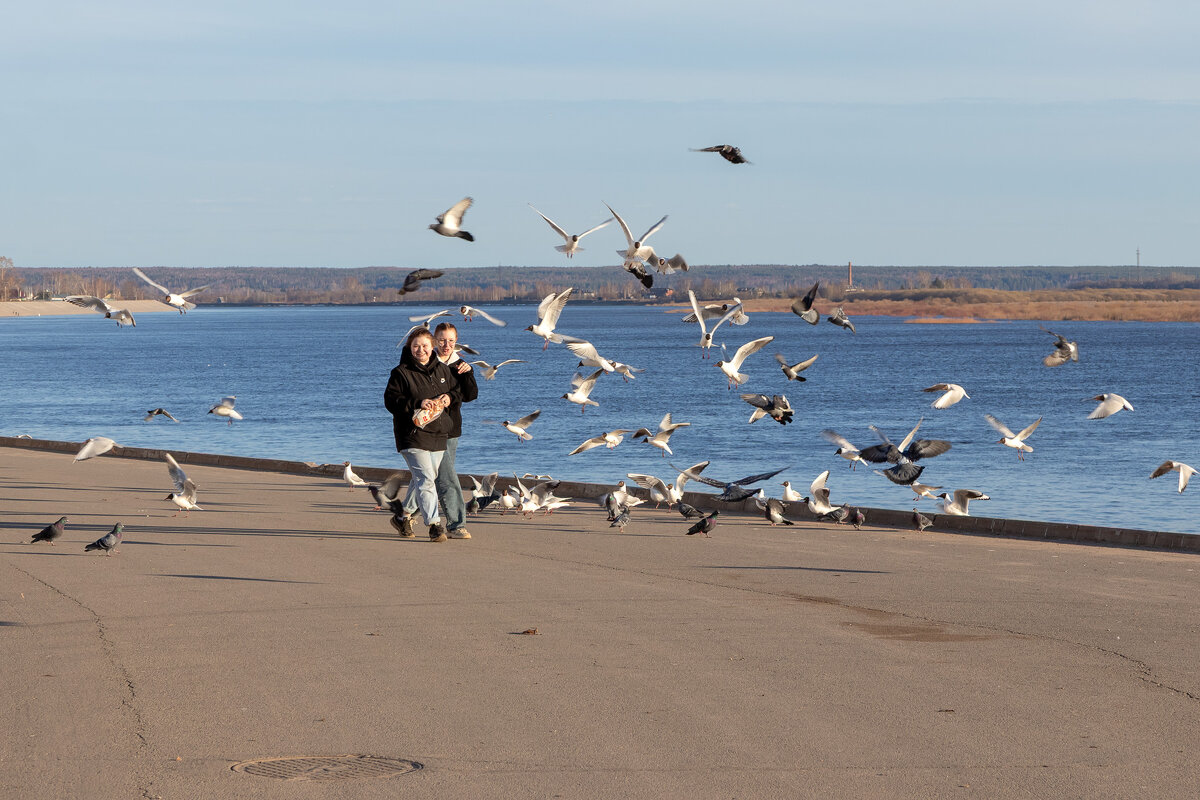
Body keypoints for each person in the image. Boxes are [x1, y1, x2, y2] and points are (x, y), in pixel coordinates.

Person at [401, 321, 478, 538]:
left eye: (451, 341)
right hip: (425, 430)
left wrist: (469, 373)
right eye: (442, 340)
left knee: (429, 475)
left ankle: (405, 513)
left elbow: (470, 395)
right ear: (434, 340)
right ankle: (456, 525)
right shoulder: (422, 361)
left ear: (456, 342)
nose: (446, 345)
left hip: (450, 430)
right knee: (445, 477)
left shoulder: (458, 365)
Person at [383, 327, 460, 542]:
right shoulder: (400, 373)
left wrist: (448, 398)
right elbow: (391, 401)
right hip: (412, 434)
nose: (421, 350)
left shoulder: (442, 371)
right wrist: (418, 403)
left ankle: (402, 516)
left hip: (438, 433)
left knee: (425, 479)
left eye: (425, 345)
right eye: (416, 346)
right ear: (410, 347)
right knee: (426, 479)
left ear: (432, 346)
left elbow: (457, 391)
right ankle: (435, 525)